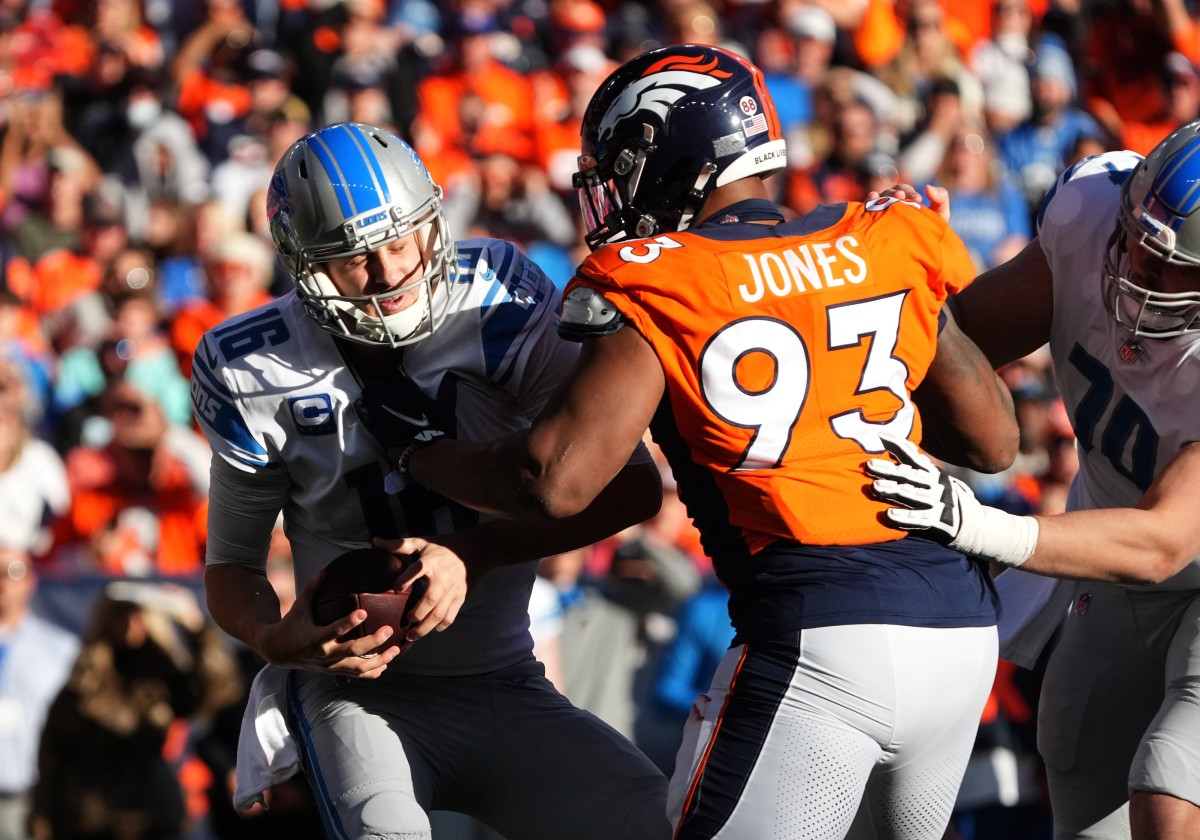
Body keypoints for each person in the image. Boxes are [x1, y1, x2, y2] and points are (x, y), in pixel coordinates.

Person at [380, 45, 1021, 839]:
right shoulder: (886, 237)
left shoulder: (656, 273)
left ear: (673, 154)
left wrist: (419, 453)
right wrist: (917, 289)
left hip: (819, 639)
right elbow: (994, 441)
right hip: (957, 636)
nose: (611, 193)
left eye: (619, 166)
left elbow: (553, 479)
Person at [192, 121, 670, 839]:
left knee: (650, 820)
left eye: (399, 240)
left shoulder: (497, 297)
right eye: (353, 258)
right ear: (302, 262)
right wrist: (272, 637)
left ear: (432, 220)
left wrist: (472, 556)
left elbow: (630, 486)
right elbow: (232, 565)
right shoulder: (252, 367)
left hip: (506, 678)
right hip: (360, 698)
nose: (389, 273)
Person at [866, 121, 1200, 840]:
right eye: (1137, 242)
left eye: (1173, 267)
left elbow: (1164, 542)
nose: (1140, 272)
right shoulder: (1091, 216)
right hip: (1113, 566)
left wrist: (977, 524)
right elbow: (964, 343)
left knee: (1173, 791)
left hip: (1165, 553)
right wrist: (912, 273)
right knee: (1077, 762)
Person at [0, 547, 78, 840]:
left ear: (30, 580)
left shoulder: (60, 650)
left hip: (32, 798)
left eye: (13, 572)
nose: (3, 581)